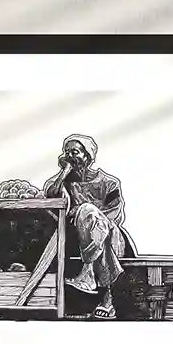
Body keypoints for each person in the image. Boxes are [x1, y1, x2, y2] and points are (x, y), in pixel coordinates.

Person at [44, 134, 131, 320]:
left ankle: (88, 272)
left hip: (110, 233)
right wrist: (63, 174)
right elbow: (50, 196)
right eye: (66, 153)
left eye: (74, 152)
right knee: (89, 217)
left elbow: (116, 214)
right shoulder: (66, 182)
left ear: (88, 156)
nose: (70, 157)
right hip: (81, 239)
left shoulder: (109, 182)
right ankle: (107, 301)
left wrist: (91, 218)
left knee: (89, 213)